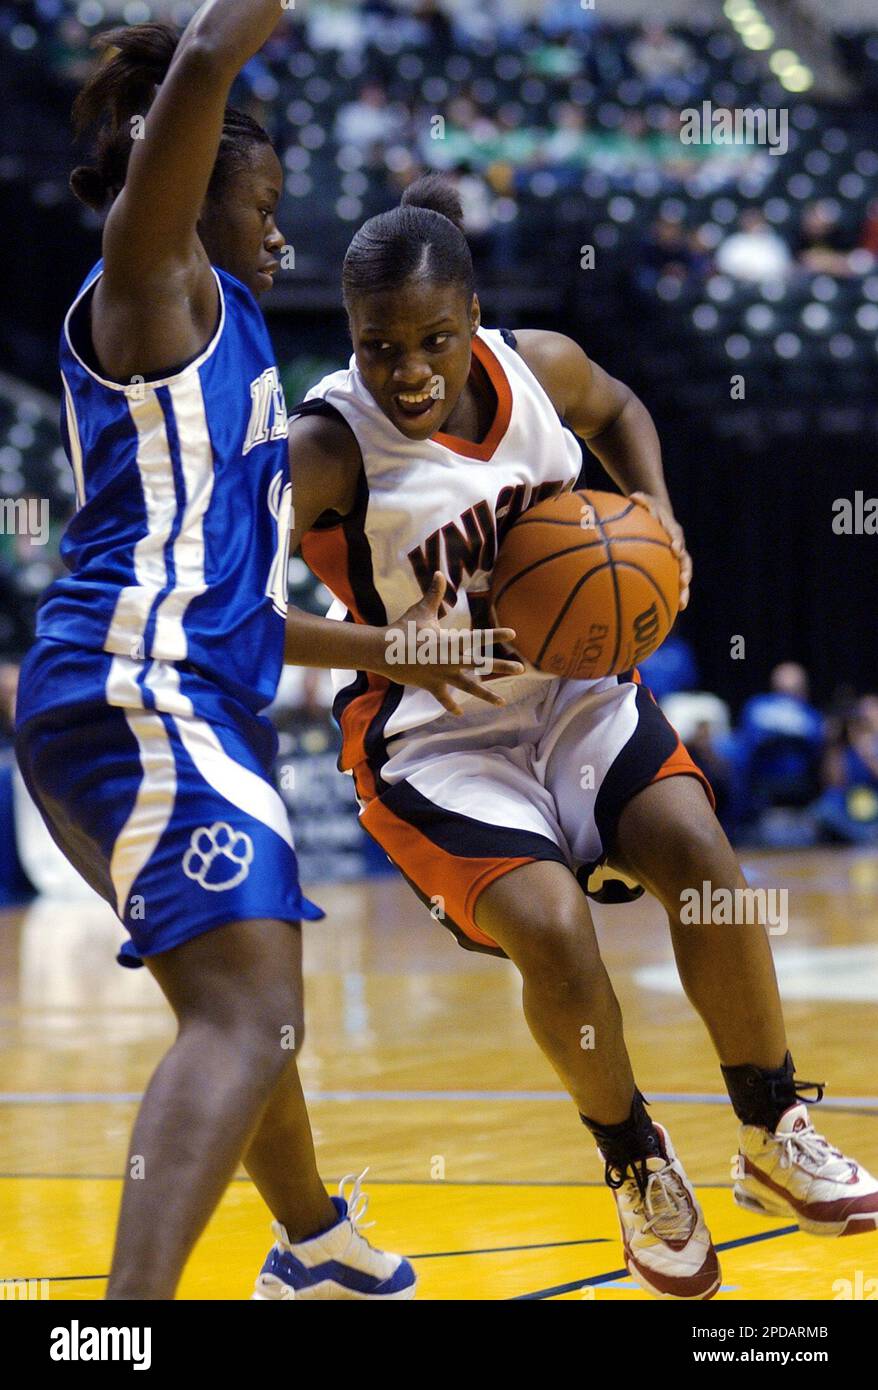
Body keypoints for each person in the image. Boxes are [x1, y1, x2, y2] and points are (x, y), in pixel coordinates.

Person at [286, 174, 878, 1299]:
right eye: (378, 347)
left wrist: (653, 507)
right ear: (348, 341)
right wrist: (386, 652)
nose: (407, 370)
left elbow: (618, 410)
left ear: (474, 321)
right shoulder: (326, 446)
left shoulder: (540, 366)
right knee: (555, 931)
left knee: (705, 864)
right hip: (435, 737)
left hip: (578, 697)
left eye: (432, 340)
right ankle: (636, 1164)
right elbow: (213, 604)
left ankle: (770, 1129)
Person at [13, 4, 418, 1302]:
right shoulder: (158, 280)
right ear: (200, 178)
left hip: (168, 679)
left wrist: (417, 648)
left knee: (257, 997)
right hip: (138, 686)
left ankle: (310, 1240)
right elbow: (199, 63)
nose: (280, 225)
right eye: (266, 195)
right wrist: (238, 35)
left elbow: (235, 603)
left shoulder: (235, 341)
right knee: (244, 1010)